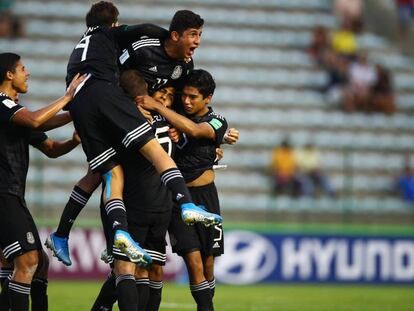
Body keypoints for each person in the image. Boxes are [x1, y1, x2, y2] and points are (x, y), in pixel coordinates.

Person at [46, 5, 235, 268]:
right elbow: (118, 73)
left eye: (199, 35)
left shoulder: (184, 66)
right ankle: (178, 209)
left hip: (108, 109)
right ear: (176, 35)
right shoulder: (141, 46)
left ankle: (72, 235)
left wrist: (200, 138)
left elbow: (183, 104)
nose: (197, 42)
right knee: (111, 171)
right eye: (193, 34)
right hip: (117, 110)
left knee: (105, 173)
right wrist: (131, 107)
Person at [0, 52, 85, 311]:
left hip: (13, 195)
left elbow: (51, 148)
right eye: (23, 68)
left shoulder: (15, 116)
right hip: (3, 195)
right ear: (9, 74)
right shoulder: (2, 105)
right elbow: (36, 119)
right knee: (27, 261)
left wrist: (73, 133)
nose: (28, 73)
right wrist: (69, 97)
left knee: (36, 264)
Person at [139, 69, 228, 311]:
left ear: (208, 98)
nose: (186, 101)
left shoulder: (218, 121)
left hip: (207, 197)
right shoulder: (174, 115)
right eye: (185, 96)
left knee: (209, 264)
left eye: (193, 97)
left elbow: (196, 131)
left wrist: (161, 110)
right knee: (194, 262)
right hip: (178, 199)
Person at [91, 70, 178, 311]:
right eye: (162, 93)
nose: (165, 100)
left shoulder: (168, 122)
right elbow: (95, 176)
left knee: (149, 269)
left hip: (159, 206)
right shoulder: (127, 121)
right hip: (131, 203)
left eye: (170, 96)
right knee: (126, 268)